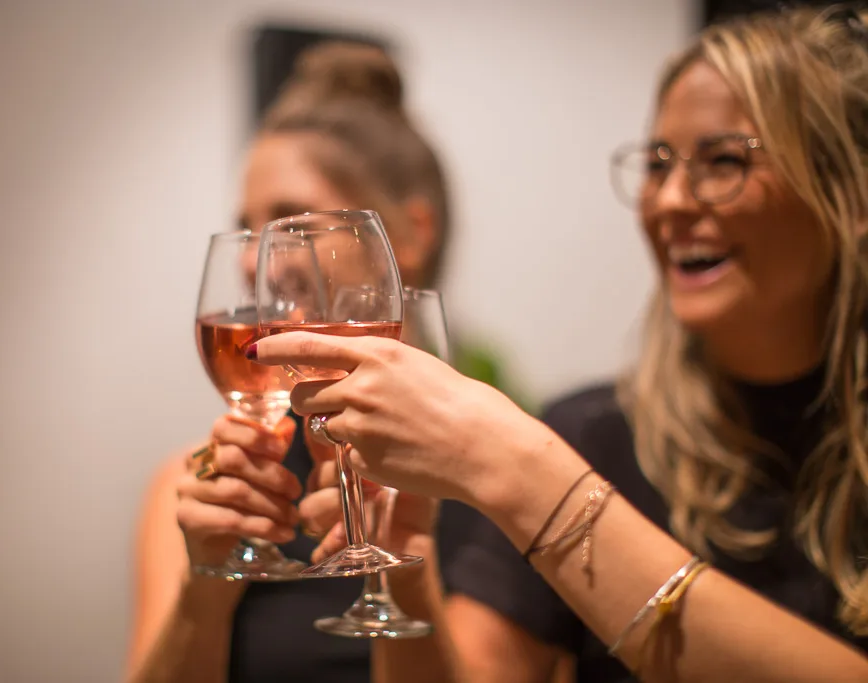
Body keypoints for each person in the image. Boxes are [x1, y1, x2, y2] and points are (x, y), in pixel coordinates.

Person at [253, 5, 868, 682]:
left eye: (723, 160)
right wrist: (406, 565)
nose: (668, 201)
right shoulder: (593, 431)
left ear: (850, 191)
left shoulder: (546, 454)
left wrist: (520, 470)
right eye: (658, 164)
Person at [126, 42, 533, 683]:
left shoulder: (507, 487)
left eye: (289, 220)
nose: (249, 258)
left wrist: (405, 575)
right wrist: (205, 589)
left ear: (405, 238)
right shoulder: (191, 486)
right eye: (246, 226)